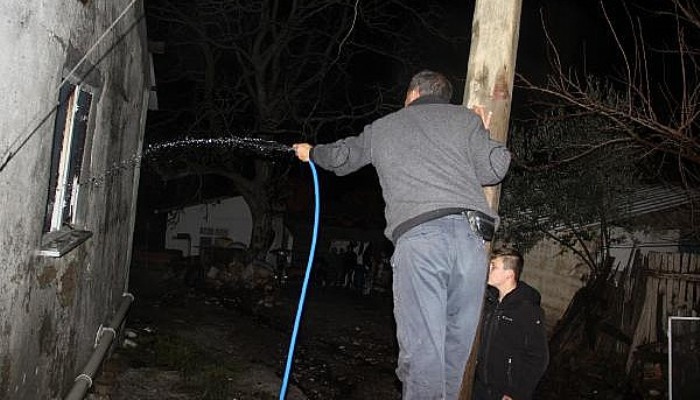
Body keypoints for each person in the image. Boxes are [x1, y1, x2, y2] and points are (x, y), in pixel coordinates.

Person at [293, 70, 511, 399]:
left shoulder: (386, 126)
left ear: (411, 94)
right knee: (455, 350)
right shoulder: (465, 121)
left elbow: (342, 157)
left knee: (424, 351)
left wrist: (311, 152)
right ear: (444, 96)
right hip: (471, 244)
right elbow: (495, 168)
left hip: (422, 241)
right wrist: (483, 128)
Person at [474, 248, 549, 400]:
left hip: (504, 393)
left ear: (509, 274)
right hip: (479, 386)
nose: (487, 269)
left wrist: (516, 393)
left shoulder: (527, 311)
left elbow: (538, 358)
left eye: (493, 266)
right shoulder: (489, 302)